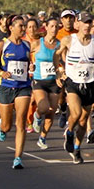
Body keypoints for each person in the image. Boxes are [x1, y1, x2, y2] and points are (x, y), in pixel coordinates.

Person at [55, 12, 94, 164]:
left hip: (90, 83)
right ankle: (69, 132)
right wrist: (59, 71)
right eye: (84, 22)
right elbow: (56, 55)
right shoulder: (68, 40)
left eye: (89, 23)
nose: (87, 26)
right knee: (76, 113)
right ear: (77, 24)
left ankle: (77, 149)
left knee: (84, 120)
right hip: (73, 82)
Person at [0, 15, 33, 169]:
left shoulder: (27, 45)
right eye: (20, 26)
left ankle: (18, 157)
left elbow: (30, 64)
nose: (23, 29)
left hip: (23, 87)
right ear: (11, 28)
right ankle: (2, 127)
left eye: (24, 26)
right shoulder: (3, 45)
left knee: (21, 122)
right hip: (6, 86)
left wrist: (31, 68)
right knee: (8, 126)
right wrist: (1, 73)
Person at [30, 17, 61, 150]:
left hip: (54, 81)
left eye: (56, 26)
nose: (54, 29)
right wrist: (30, 65)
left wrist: (62, 72)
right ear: (46, 27)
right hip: (39, 81)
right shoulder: (38, 43)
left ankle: (42, 137)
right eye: (52, 26)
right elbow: (26, 54)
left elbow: (64, 60)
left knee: (51, 113)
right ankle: (37, 116)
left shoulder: (60, 44)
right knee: (43, 107)